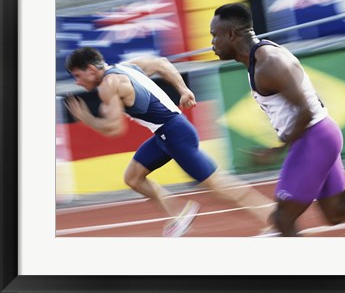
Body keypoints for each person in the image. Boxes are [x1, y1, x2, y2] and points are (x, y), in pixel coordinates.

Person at [210, 3, 345, 236]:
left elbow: (306, 111)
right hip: (321, 135)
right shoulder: (259, 59)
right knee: (336, 212)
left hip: (314, 138)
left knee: (282, 219)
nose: (212, 44)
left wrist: (276, 149)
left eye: (214, 36)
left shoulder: (268, 64)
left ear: (231, 34)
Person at [64, 47, 273, 237]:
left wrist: (87, 119)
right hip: (165, 133)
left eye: (77, 76)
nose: (77, 82)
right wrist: (183, 90)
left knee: (219, 185)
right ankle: (179, 213)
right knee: (133, 177)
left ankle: (273, 220)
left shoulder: (109, 85)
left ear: (91, 69)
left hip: (174, 135)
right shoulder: (129, 67)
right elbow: (162, 63)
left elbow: (115, 129)